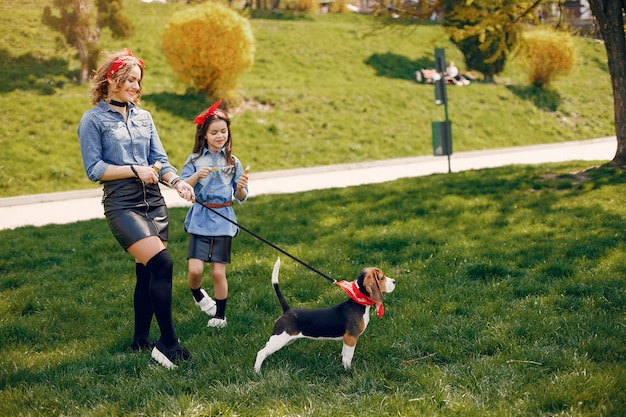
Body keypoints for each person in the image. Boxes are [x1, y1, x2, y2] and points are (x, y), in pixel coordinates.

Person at [77, 48, 196, 370]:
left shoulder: (144, 117)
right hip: (122, 204)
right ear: (110, 79)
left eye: (137, 81)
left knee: (146, 273)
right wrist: (133, 169)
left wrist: (178, 182)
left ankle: (140, 339)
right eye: (128, 79)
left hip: (153, 202)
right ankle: (168, 343)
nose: (134, 86)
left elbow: (161, 161)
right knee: (163, 264)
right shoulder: (93, 120)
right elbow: (94, 169)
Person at [180, 100, 249, 329]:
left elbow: (241, 196)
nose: (220, 136)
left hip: (223, 221)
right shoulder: (194, 161)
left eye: (224, 131)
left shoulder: (233, 162)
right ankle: (197, 292)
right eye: (214, 132)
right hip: (200, 218)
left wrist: (240, 187)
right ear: (205, 135)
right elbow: (183, 187)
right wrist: (196, 176)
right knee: (195, 269)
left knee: (219, 273)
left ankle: (220, 316)